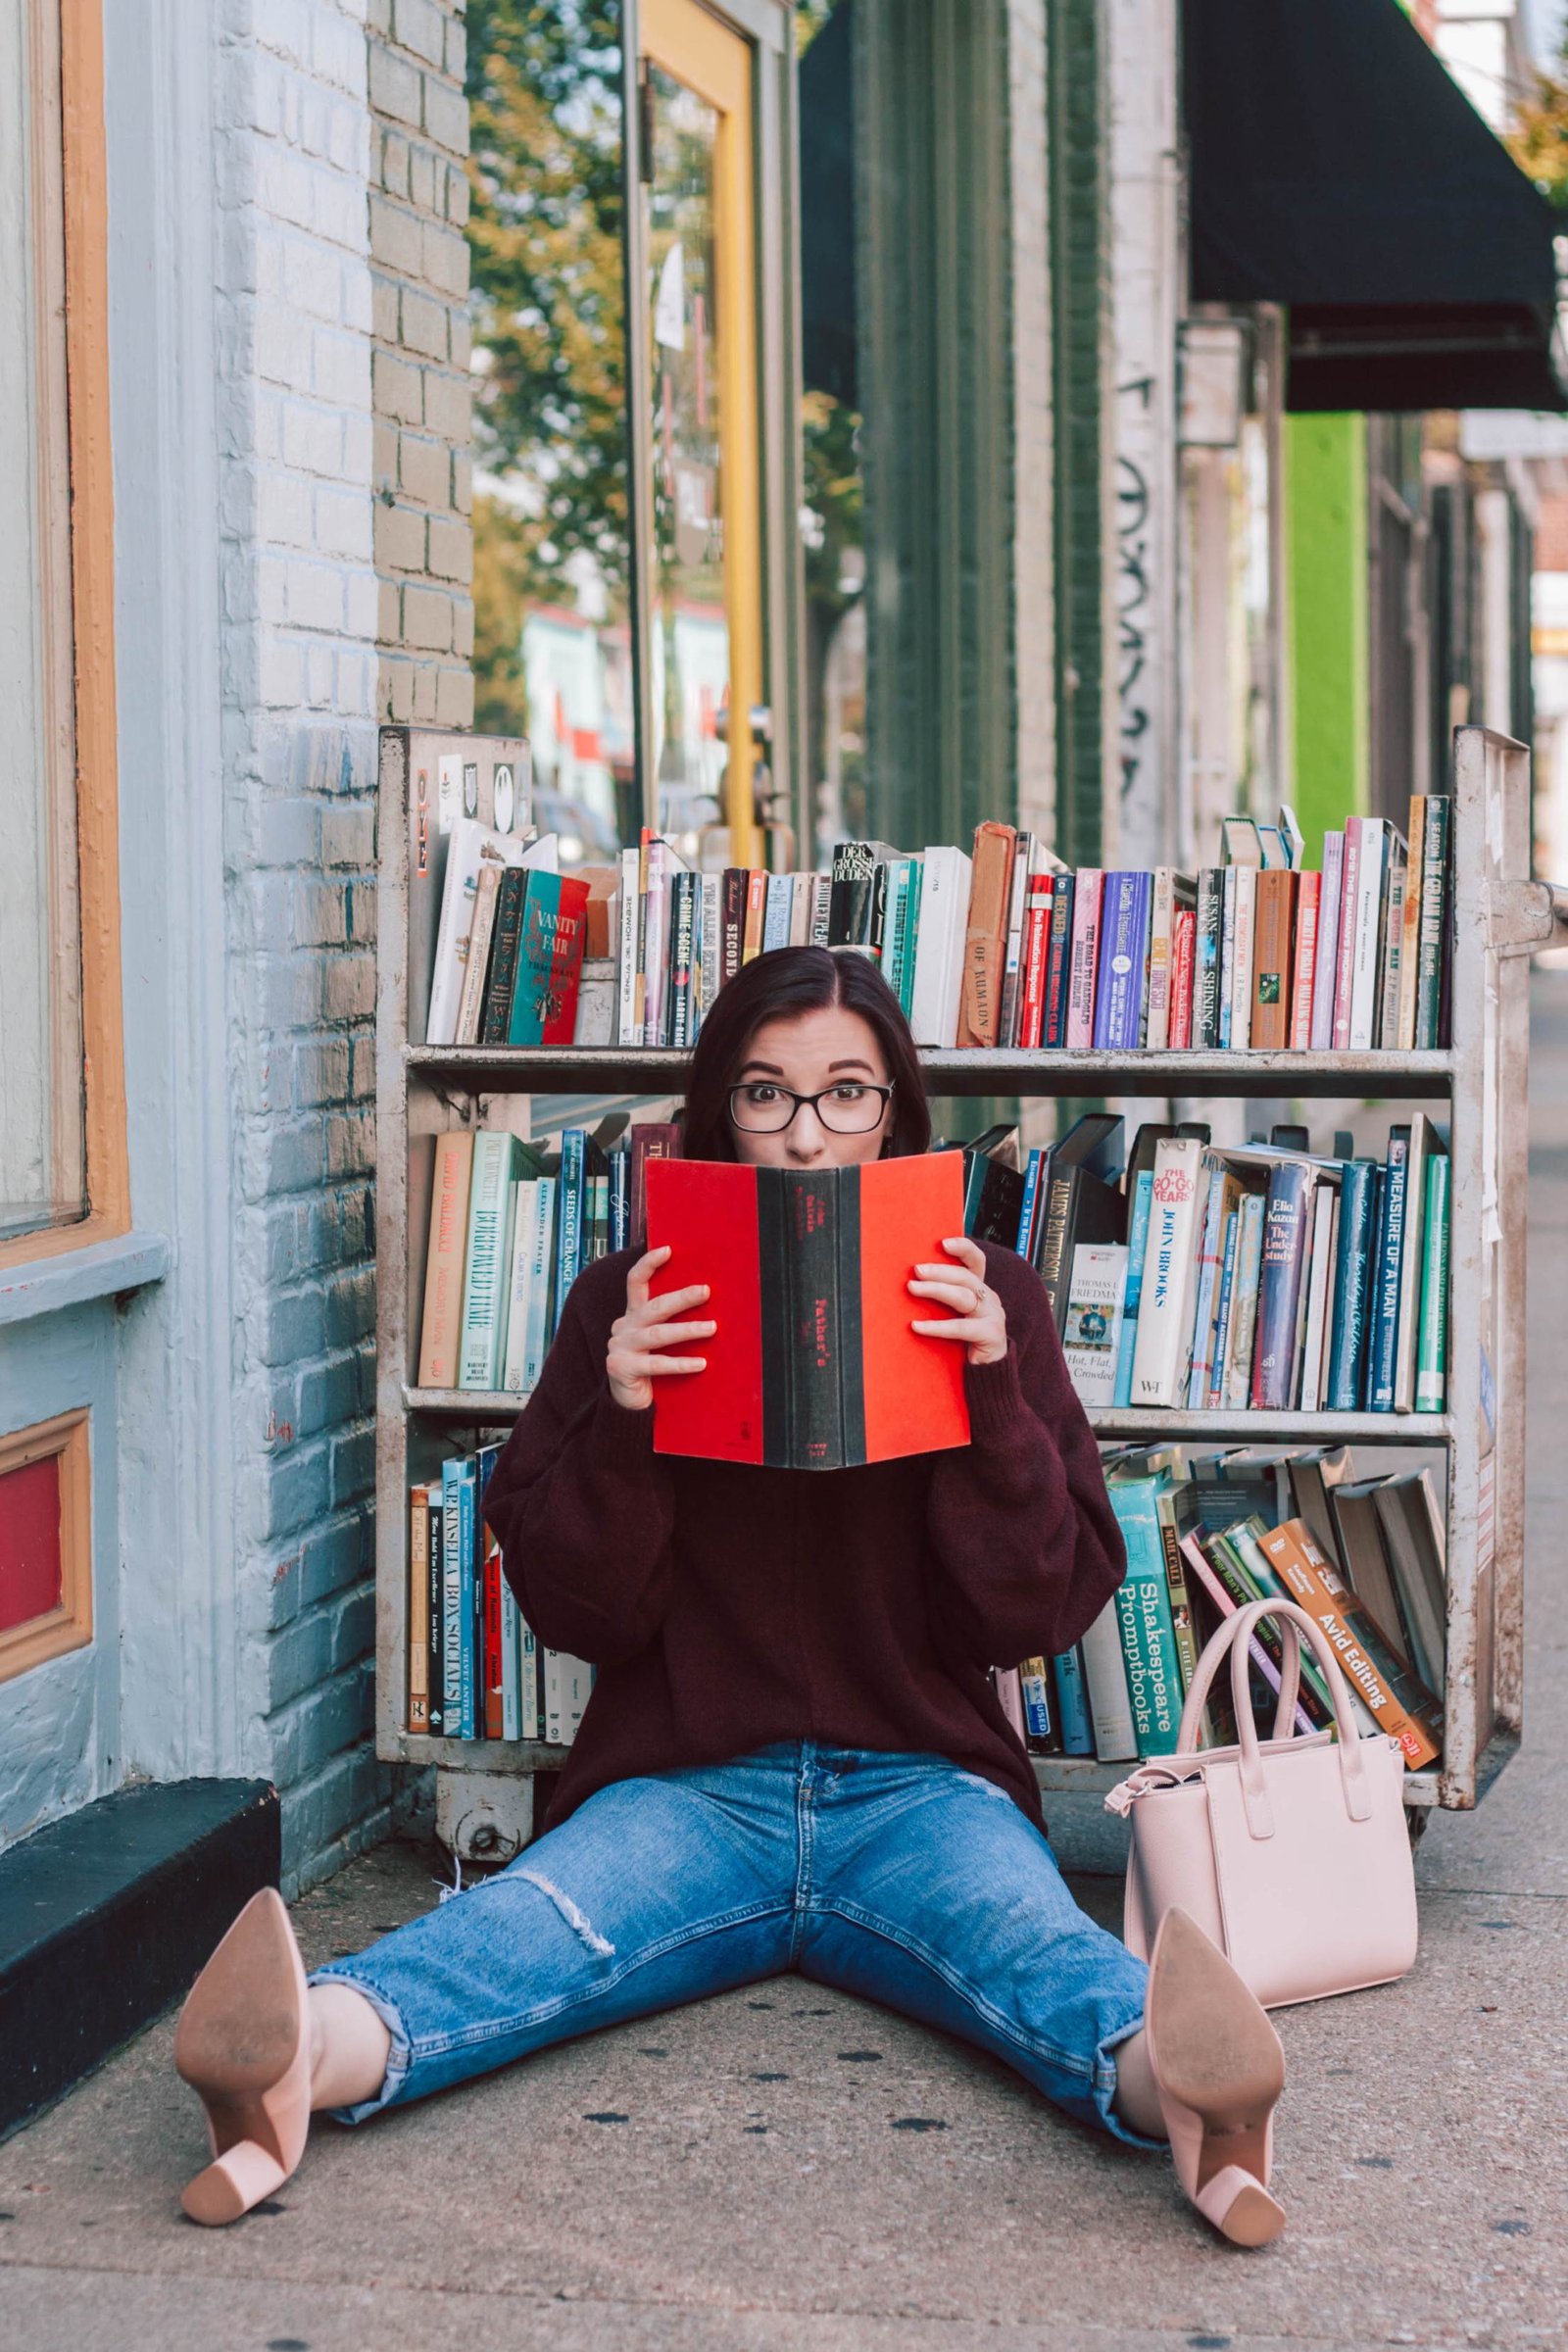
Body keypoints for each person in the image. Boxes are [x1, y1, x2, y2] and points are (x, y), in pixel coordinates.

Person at [172, 945, 1287, 2247]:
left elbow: (1030, 1616)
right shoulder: (620, 1303)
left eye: (848, 1095)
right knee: (534, 1931)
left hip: (921, 1786)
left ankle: (1188, 2099)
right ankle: (296, 2062)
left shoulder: (1000, 1301)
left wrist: (987, 1400)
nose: (807, 1137)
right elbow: (573, 1612)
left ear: (897, 1116)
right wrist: (630, 1418)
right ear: (718, 1114)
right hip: (688, 1785)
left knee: (1031, 1948)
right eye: (767, 1096)